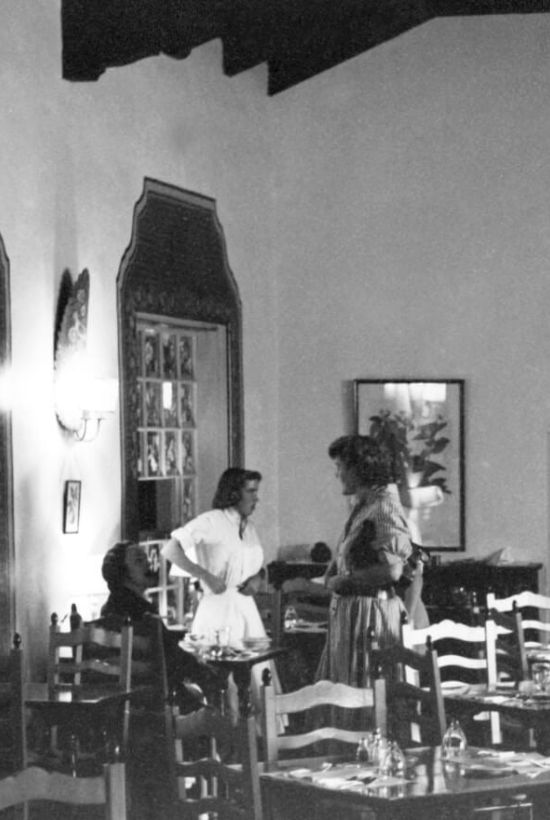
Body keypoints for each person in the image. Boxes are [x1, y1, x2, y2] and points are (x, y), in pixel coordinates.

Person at [161, 467, 272, 721]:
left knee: (256, 680)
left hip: (247, 611)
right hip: (218, 611)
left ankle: (256, 738)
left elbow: (257, 565)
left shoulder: (249, 527)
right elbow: (170, 549)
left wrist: (258, 578)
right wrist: (205, 575)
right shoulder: (211, 521)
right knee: (225, 683)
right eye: (251, 491)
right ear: (234, 493)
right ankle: (226, 733)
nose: (256, 498)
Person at [316, 434, 416, 686]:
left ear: (359, 469)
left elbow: (393, 570)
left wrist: (345, 581)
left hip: (371, 615)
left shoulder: (384, 506)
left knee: (368, 691)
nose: (337, 474)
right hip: (354, 615)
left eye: (340, 467)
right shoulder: (365, 506)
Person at [100, 540, 219, 711]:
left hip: (125, 698)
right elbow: (170, 655)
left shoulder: (108, 610)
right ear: (122, 572)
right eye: (139, 561)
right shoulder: (142, 612)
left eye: (146, 559)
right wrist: (205, 672)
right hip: (154, 698)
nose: (148, 564)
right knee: (213, 683)